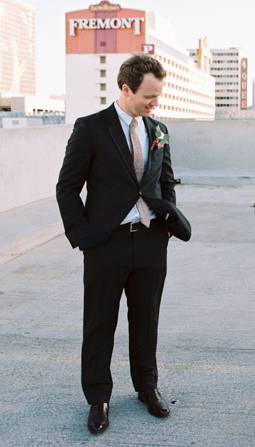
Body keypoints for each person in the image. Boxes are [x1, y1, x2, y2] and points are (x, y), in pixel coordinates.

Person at [56, 52, 190, 434]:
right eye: (149, 95)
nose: (155, 103)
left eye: (158, 95)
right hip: (105, 244)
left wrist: (165, 225)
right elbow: (67, 187)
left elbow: (166, 182)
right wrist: (82, 236)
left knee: (146, 320)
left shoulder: (159, 129)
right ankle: (98, 398)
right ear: (126, 89)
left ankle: (147, 388)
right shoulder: (90, 128)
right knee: (99, 323)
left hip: (150, 242)